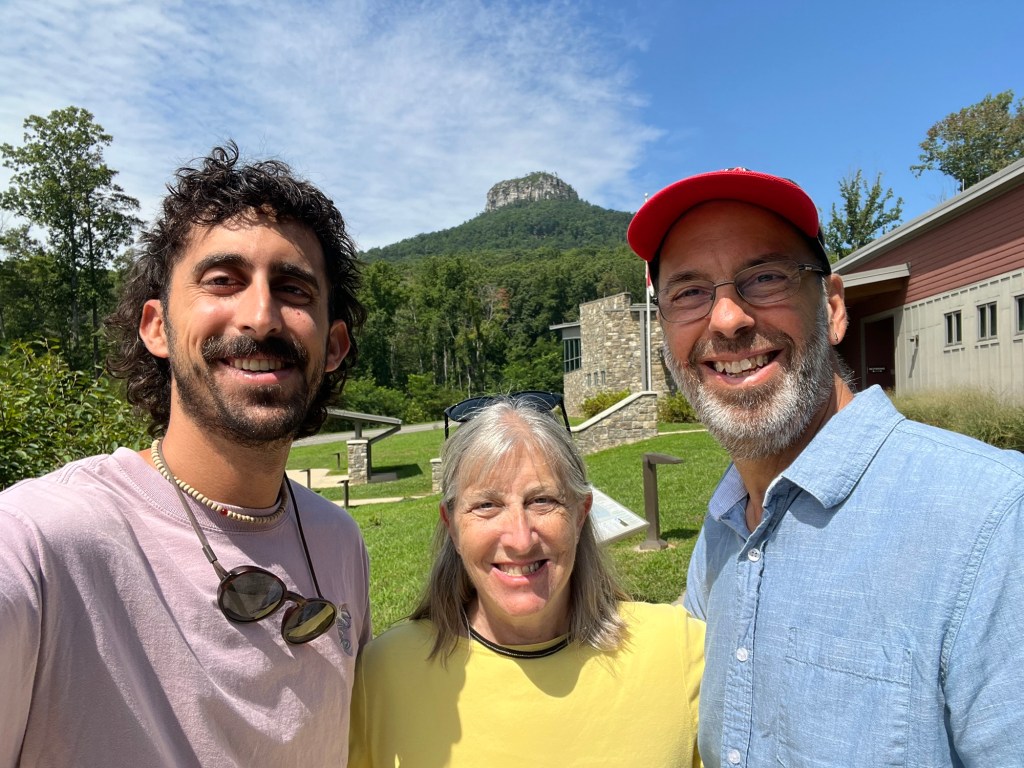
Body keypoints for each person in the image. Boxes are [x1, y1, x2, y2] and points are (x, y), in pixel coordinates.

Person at [627, 167, 1024, 767]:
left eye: (765, 277)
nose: (727, 319)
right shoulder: (724, 526)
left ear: (834, 308)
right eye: (688, 293)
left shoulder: (991, 522)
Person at [0, 143, 372, 766]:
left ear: (333, 346)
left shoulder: (340, 542)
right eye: (222, 281)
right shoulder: (40, 541)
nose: (261, 316)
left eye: (293, 289)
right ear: (157, 328)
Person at [348, 393, 704, 767]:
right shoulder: (382, 676)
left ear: (580, 515)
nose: (520, 539)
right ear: (451, 525)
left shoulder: (678, 651)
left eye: (542, 501)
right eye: (487, 505)